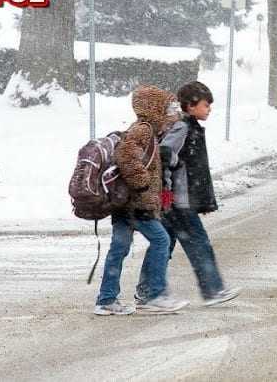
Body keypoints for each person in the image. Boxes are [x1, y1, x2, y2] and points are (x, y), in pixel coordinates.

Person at [142, 81, 241, 307]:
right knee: (198, 242)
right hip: (178, 199)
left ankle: (147, 290)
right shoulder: (183, 127)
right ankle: (212, 289)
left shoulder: (188, 126)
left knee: (163, 243)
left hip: (175, 199)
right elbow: (165, 153)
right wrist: (169, 189)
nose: (209, 109)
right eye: (206, 105)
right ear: (190, 105)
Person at [94, 85, 189, 315]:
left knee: (119, 248)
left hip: (125, 204)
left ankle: (107, 299)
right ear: (155, 109)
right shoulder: (143, 130)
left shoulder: (147, 131)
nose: (172, 114)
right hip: (137, 204)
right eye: (168, 109)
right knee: (161, 240)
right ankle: (153, 295)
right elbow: (126, 155)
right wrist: (142, 182)